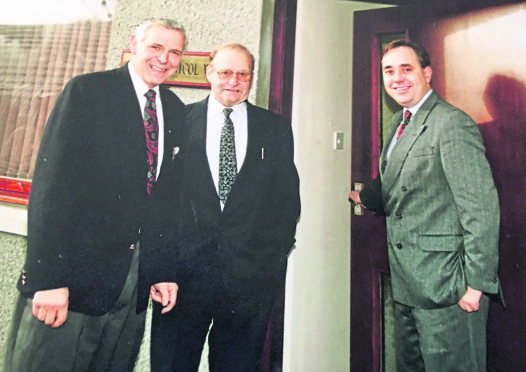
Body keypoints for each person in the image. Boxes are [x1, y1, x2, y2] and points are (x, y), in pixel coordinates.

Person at [4, 18, 187, 371]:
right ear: (134, 43)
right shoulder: (88, 92)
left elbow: (164, 202)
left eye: (174, 52)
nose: (164, 59)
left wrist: (162, 270)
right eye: (156, 47)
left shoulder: (175, 109)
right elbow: (52, 188)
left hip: (130, 285)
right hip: (71, 280)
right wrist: (49, 280)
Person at [349, 40, 500, 371]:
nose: (397, 78)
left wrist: (475, 284)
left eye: (407, 68)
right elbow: (396, 179)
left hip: (449, 287)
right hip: (406, 284)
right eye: (389, 71)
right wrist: (363, 196)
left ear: (426, 73)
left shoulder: (451, 123)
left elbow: (481, 208)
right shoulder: (398, 123)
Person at [150, 43, 301, 371]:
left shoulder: (274, 129)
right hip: (182, 278)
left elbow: (287, 199)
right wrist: (162, 268)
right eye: (225, 72)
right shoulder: (179, 121)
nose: (233, 81)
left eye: (242, 74)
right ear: (209, 73)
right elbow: (161, 204)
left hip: (249, 280)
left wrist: (271, 256)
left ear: (251, 77)